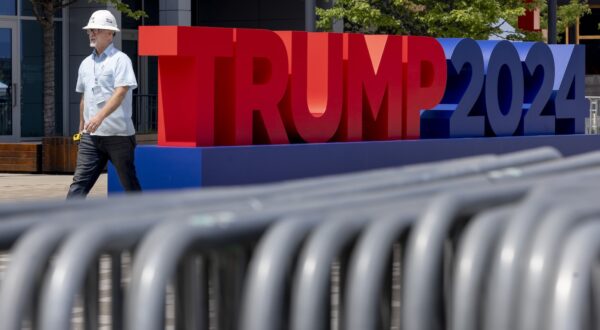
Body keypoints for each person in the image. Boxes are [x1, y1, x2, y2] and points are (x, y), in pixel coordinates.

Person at [67, 10, 141, 198]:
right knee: (78, 185)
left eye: (96, 29)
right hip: (91, 138)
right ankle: (65, 223)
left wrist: (99, 117)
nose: (91, 33)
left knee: (129, 184)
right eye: (90, 30)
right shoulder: (85, 63)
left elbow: (121, 92)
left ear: (110, 33)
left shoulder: (120, 60)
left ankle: (145, 221)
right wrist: (82, 128)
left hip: (119, 136)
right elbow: (85, 96)